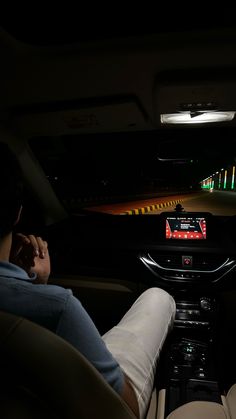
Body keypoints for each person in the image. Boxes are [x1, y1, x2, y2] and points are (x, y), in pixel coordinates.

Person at [0, 142, 176, 419]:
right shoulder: (58, 306)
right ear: (17, 213)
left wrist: (32, 285)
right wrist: (38, 290)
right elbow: (124, 407)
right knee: (158, 296)